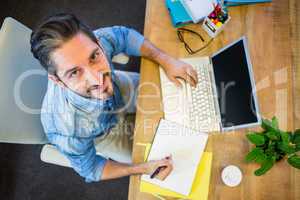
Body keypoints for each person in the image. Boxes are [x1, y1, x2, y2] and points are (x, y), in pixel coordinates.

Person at [30, 13, 198, 182]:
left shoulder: (88, 44)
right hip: (105, 134)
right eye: (74, 72)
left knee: (185, 97)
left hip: (120, 89)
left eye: (94, 57)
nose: (98, 80)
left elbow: (123, 36)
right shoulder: (67, 130)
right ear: (57, 80)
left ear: (98, 44)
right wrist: (142, 168)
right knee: (167, 157)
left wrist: (166, 60)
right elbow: (92, 169)